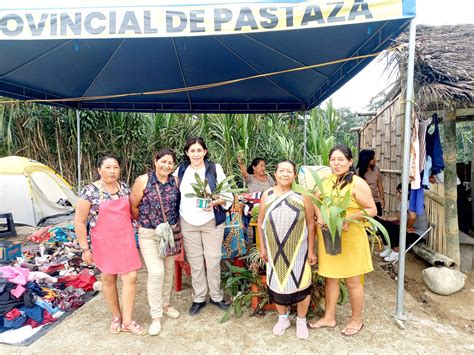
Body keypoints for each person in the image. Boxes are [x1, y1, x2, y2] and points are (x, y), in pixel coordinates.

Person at [309, 144, 376, 336]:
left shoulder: (357, 183)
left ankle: (357, 320)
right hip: (330, 237)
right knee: (331, 279)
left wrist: (348, 218)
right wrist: (320, 216)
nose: (336, 163)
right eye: (333, 159)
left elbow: (372, 210)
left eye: (341, 159)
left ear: (350, 161)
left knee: (353, 281)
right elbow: (315, 201)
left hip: (351, 238)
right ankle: (329, 317)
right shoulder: (325, 181)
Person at [75, 155, 145, 335]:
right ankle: (116, 317)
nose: (112, 171)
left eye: (115, 167)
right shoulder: (88, 191)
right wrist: (85, 249)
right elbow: (80, 222)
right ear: (99, 170)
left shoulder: (124, 188)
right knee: (108, 279)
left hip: (125, 240)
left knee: (131, 277)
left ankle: (128, 320)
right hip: (103, 242)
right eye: (107, 167)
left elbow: (133, 212)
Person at [257, 160, 316, 339]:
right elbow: (260, 222)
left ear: (294, 175)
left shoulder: (302, 196)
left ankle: (300, 320)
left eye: (289, 171)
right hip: (274, 251)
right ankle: (283, 318)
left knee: (302, 284)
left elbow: (311, 224)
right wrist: (263, 247)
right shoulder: (267, 194)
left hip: (299, 250)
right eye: (281, 171)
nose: (285, 174)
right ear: (275, 174)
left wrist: (311, 250)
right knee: (277, 285)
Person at [174, 137, 232, 316]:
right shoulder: (181, 170)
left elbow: (227, 194)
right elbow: (174, 194)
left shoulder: (214, 169)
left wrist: (215, 202)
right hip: (188, 221)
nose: (196, 154)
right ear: (187, 153)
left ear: (205, 152)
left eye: (199, 150)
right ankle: (199, 297)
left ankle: (216, 296)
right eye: (192, 151)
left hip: (211, 221)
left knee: (213, 260)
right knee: (196, 262)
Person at [129, 149, 181, 336]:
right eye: (163, 161)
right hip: (149, 234)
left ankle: (166, 304)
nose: (166, 165)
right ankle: (156, 316)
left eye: (170, 163)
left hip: (169, 233)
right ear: (155, 161)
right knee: (156, 272)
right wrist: (147, 224)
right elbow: (133, 206)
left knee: (168, 271)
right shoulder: (143, 180)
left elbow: (176, 206)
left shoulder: (175, 181)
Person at [377, 184, 429, 262]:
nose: (397, 194)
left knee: (392, 229)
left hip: (417, 234)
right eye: (397, 192)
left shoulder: (413, 203)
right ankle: (388, 248)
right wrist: (386, 219)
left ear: (407, 193)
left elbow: (412, 217)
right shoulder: (404, 202)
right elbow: (398, 217)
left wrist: (407, 228)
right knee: (382, 223)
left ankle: (396, 251)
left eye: (400, 192)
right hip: (410, 230)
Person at [356, 149, 385, 216]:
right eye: (372, 158)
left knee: (378, 222)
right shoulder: (357, 172)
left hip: (375, 200)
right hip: (363, 203)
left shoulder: (376, 169)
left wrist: (382, 198)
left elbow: (379, 184)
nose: (375, 159)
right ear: (366, 159)